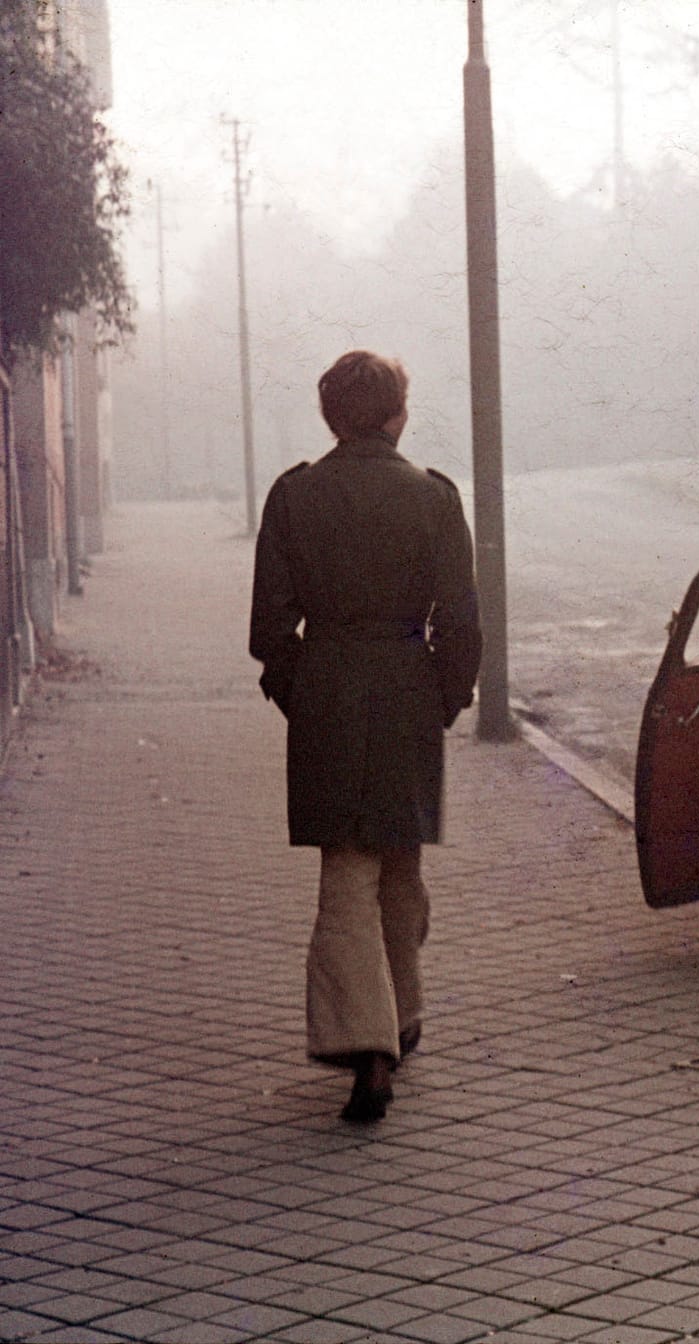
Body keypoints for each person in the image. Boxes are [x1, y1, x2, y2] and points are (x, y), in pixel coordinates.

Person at [249, 351, 481, 1124]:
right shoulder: (434, 497)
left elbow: (269, 628)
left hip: (329, 689)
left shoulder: (294, 496)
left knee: (348, 868)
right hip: (409, 687)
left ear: (330, 419)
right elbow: (464, 621)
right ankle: (402, 1018)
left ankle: (370, 1047)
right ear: (396, 414)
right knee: (400, 855)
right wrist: (444, 699)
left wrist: (301, 691)